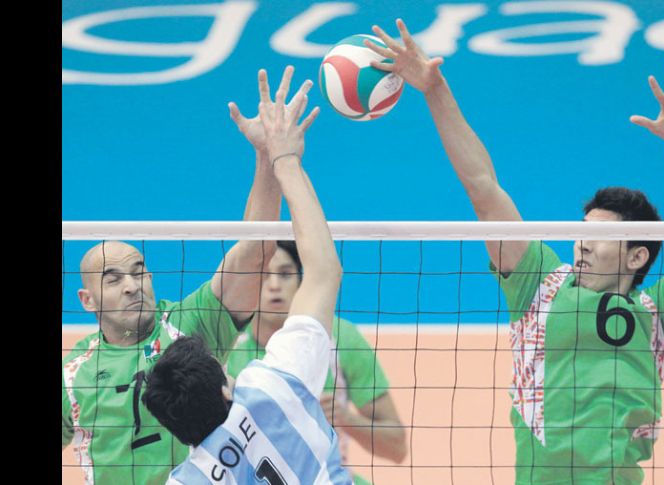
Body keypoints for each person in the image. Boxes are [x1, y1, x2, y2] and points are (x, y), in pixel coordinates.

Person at [366, 19, 664, 484]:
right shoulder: (541, 284)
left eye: (601, 236)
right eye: (581, 231)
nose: (583, 242)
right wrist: (435, 89)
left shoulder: (659, 319)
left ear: (637, 257)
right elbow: (483, 187)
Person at [60, 66, 312, 484]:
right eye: (113, 278)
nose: (131, 286)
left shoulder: (188, 325)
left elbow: (254, 251)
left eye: (139, 272)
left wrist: (267, 156)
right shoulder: (73, 375)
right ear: (87, 300)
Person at [143, 66, 353, 484]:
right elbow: (325, 271)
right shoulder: (272, 387)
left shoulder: (185, 480)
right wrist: (285, 159)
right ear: (225, 390)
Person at [226, 240, 407, 484]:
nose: (275, 285)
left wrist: (346, 419)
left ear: (301, 282)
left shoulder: (341, 340)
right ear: (249, 283)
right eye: (264, 275)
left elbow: (397, 448)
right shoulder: (228, 350)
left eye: (285, 274)